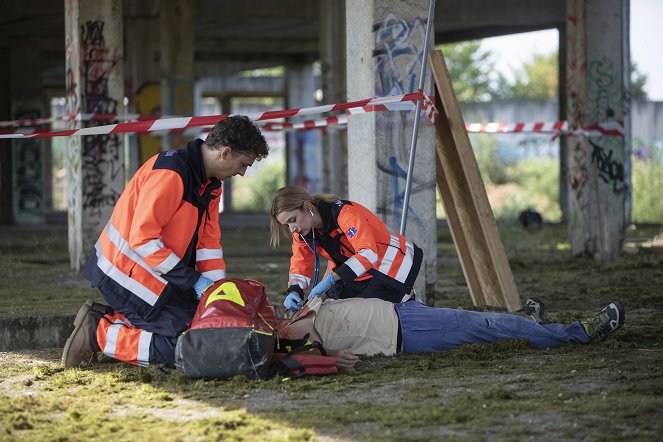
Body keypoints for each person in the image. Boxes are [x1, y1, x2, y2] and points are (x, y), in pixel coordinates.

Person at [62, 115, 269, 369]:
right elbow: (143, 240)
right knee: (186, 346)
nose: (242, 172)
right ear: (225, 153)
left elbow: (209, 244)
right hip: (125, 276)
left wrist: (215, 295)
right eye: (243, 164)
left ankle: (116, 323)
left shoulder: (211, 186)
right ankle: (98, 333)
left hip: (158, 276)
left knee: (205, 332)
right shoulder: (171, 173)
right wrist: (194, 282)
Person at [278, 296, 625, 369]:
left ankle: (529, 324)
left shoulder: (296, 315)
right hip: (407, 331)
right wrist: (331, 357)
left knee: (482, 322)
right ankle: (579, 333)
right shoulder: (292, 342)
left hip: (402, 312)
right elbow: (310, 358)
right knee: (486, 327)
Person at [269, 185, 423, 312]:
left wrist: (331, 279)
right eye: (287, 225)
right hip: (353, 275)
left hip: (389, 269)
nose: (292, 229)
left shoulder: (345, 213)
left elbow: (368, 254)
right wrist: (295, 290)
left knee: (368, 316)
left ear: (308, 207)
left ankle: (409, 304)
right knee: (329, 314)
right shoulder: (302, 233)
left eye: (292, 220)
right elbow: (299, 265)